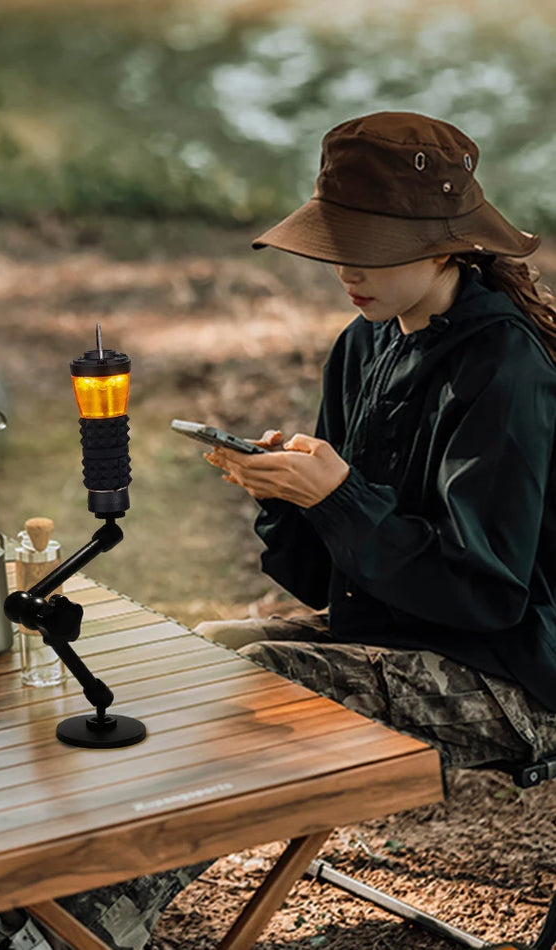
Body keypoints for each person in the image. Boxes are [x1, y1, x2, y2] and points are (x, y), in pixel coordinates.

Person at [197, 111, 556, 772]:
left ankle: (89, 872)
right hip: (395, 631)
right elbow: (318, 583)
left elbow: (488, 596)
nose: (345, 272)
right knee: (197, 652)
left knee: (256, 678)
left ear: (445, 247)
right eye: (337, 246)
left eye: (368, 249)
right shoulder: (363, 344)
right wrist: (288, 495)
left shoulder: (505, 367)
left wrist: (340, 498)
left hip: (512, 674)